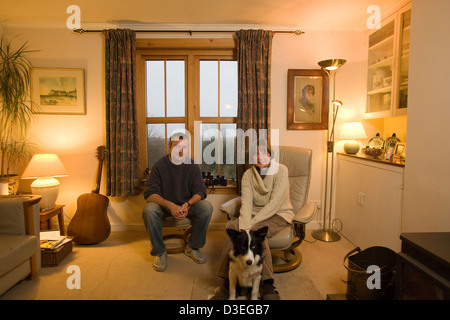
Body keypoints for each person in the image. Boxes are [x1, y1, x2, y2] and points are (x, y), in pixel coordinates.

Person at [212, 142, 294, 300]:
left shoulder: (281, 170)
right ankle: (226, 284)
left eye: (264, 152)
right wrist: (244, 225)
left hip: (279, 213)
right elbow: (246, 204)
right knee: (233, 231)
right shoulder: (248, 175)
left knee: (256, 234)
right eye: (255, 153)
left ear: (270, 155)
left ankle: (268, 285)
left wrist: (250, 226)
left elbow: (275, 203)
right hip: (253, 215)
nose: (260, 156)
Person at [142, 133, 213, 272]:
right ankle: (160, 252)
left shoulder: (192, 166)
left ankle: (193, 247)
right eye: (177, 146)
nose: (181, 151)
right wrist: (170, 205)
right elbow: (150, 195)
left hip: (186, 206)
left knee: (206, 207)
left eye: (184, 147)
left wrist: (187, 204)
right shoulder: (158, 166)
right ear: (169, 147)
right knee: (149, 210)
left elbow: (200, 191)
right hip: (164, 207)